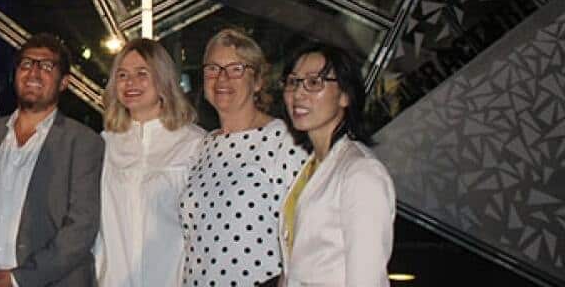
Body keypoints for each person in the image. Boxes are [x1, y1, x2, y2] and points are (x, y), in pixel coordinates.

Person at [0, 33, 104, 287]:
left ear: (64, 83)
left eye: (47, 66)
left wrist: (19, 279)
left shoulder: (83, 142)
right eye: (26, 64)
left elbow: (81, 229)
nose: (34, 73)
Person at [181, 28, 306, 287]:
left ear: (258, 80)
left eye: (236, 69)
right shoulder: (203, 147)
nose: (222, 78)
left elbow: (308, 236)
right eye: (212, 69)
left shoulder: (285, 141)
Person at [278, 44, 395, 287]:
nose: (298, 94)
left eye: (314, 83)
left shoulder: (360, 173)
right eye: (293, 82)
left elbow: (367, 279)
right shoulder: (312, 168)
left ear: (345, 95)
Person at [96, 38, 204, 287]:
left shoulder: (195, 143)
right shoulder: (104, 145)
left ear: (163, 79)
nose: (130, 82)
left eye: (141, 73)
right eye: (122, 75)